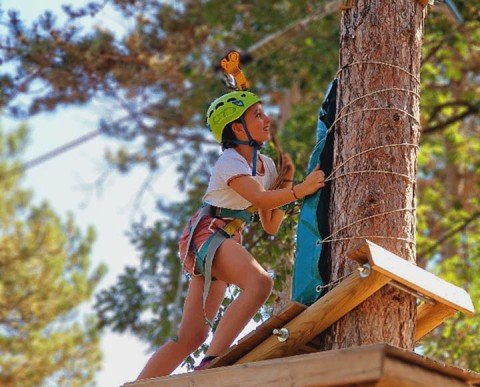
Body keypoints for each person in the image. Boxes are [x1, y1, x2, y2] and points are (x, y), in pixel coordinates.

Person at [136, 91, 325, 380]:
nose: (267, 119)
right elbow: (260, 199)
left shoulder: (266, 165)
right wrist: (301, 189)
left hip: (222, 240)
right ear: (238, 129)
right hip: (208, 234)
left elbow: (271, 223)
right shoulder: (229, 161)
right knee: (259, 283)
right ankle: (213, 362)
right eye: (257, 115)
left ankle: (140, 384)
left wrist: (286, 178)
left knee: (192, 335)